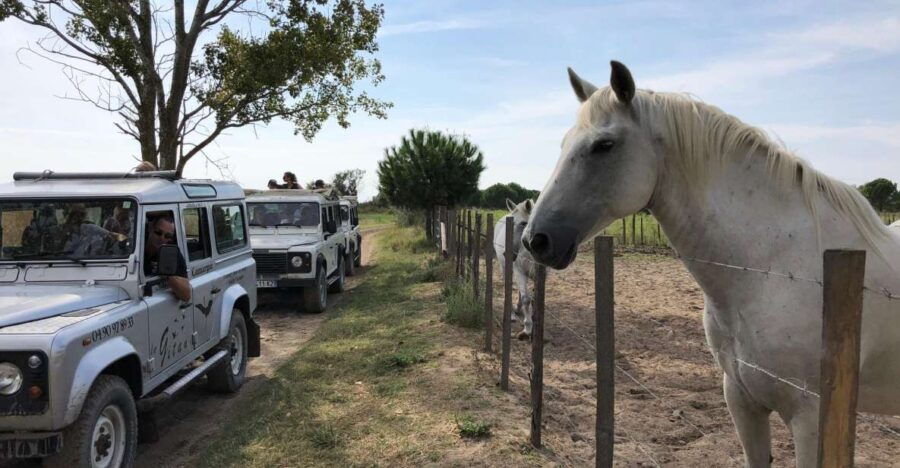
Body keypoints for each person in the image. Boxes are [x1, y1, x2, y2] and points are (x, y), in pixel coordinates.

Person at [144, 213, 191, 302]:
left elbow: (186, 295)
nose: (162, 238)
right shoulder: (136, 247)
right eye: (158, 233)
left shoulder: (172, 253)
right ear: (150, 228)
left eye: (167, 236)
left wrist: (167, 274)